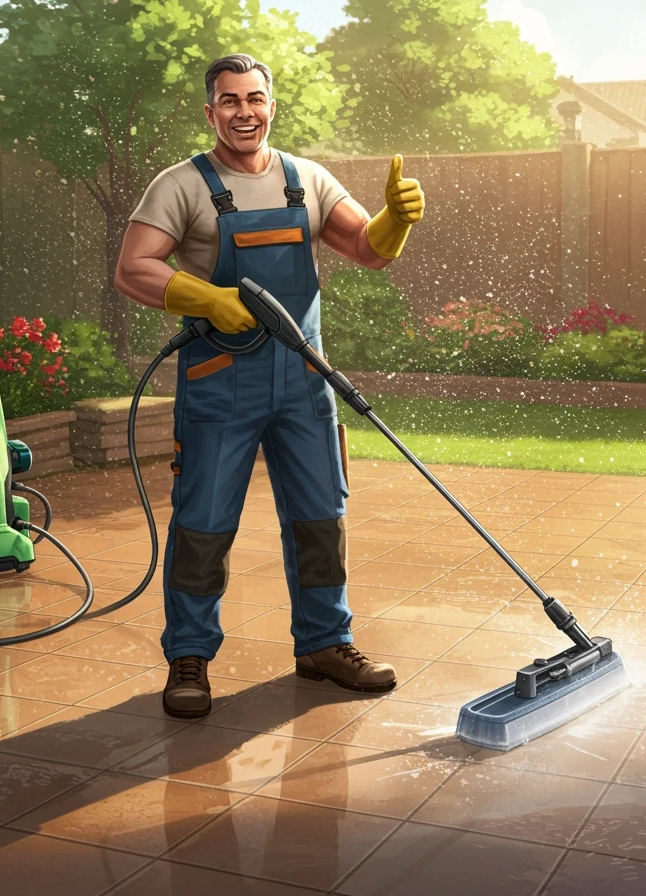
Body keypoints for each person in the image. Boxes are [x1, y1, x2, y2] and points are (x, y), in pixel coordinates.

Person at [113, 53, 425, 719]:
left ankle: (324, 643)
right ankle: (189, 658)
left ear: (271, 106)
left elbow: (369, 249)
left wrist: (395, 218)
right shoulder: (182, 186)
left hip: (304, 382)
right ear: (211, 112)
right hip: (221, 384)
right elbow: (133, 269)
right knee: (203, 526)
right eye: (229, 101)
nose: (244, 111)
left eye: (254, 98)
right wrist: (203, 297)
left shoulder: (306, 180)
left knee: (320, 517)